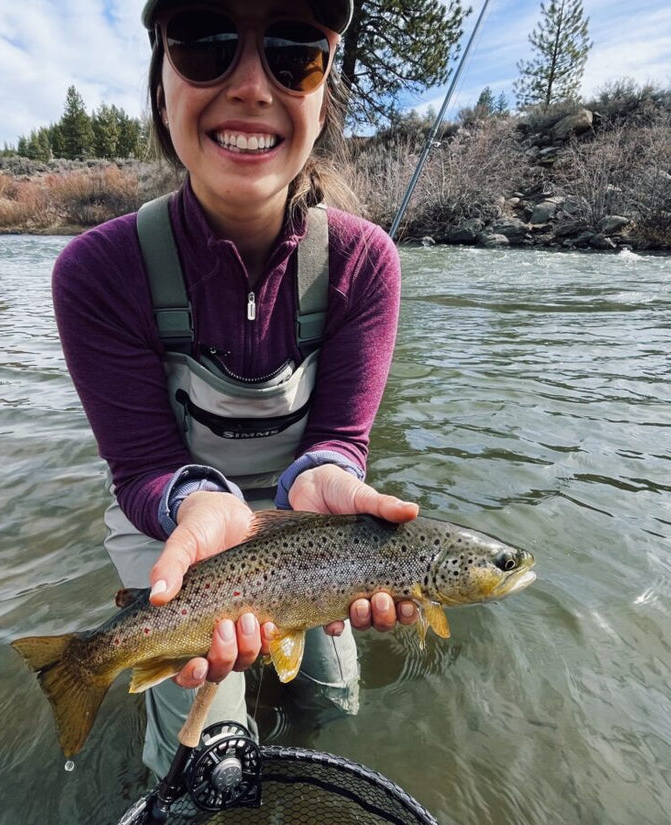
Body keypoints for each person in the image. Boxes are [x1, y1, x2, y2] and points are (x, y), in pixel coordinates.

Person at [52, 0, 419, 778]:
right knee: (212, 761)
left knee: (334, 699)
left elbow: (339, 442)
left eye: (294, 51)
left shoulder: (365, 265)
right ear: (161, 89)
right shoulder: (97, 273)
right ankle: (95, 680)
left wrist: (329, 474)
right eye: (204, 41)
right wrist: (195, 503)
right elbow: (142, 466)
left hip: (308, 528)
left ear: (324, 101)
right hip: (172, 522)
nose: (252, 85)